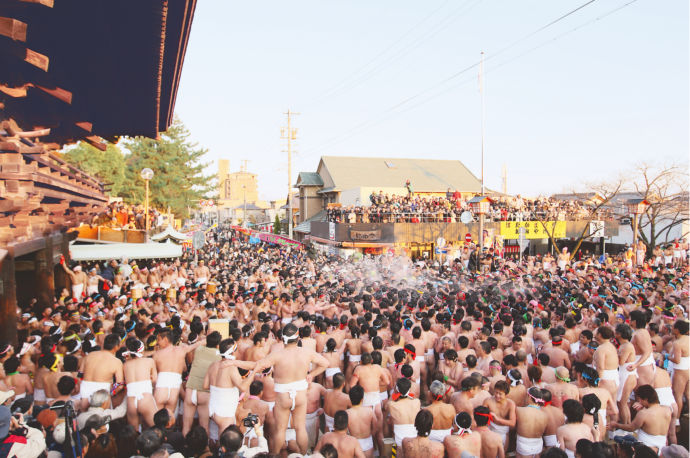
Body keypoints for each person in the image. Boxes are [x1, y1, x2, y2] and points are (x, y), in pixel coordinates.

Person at [254, 323, 329, 455]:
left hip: (283, 396)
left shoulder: (276, 354)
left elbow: (258, 365)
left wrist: (236, 362)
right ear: (298, 338)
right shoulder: (306, 352)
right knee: (300, 428)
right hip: (300, 394)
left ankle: (275, 455)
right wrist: (311, 375)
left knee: (280, 430)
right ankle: (304, 455)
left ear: (283, 338)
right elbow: (325, 363)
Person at [609, 384, 672, 453]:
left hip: (645, 450)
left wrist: (616, 425)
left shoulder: (643, 414)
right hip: (662, 447)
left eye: (640, 400)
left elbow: (631, 428)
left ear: (646, 399)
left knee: (618, 439)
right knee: (626, 438)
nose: (639, 402)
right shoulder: (667, 410)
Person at [79, 334, 124, 411]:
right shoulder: (116, 362)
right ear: (116, 347)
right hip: (103, 392)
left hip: (84, 389)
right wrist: (111, 393)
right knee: (102, 420)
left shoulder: (89, 355)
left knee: (84, 418)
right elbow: (119, 385)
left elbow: (80, 375)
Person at [123, 337, 158, 429]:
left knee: (133, 434)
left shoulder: (125, 365)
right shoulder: (149, 361)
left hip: (131, 401)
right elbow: (154, 380)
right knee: (156, 430)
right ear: (142, 351)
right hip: (145, 398)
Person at [386, 378, 420, 458]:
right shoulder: (417, 402)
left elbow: (386, 405)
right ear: (409, 389)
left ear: (396, 389)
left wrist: (394, 392)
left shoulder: (392, 405)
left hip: (399, 441)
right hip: (414, 438)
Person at [515, 387, 549, 458]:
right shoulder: (545, 415)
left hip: (524, 445)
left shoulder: (519, 410)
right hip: (538, 445)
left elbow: (512, 425)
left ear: (529, 397)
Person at [346, 385, 375, 458]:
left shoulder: (347, 413)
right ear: (362, 399)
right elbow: (376, 427)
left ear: (350, 398)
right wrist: (371, 434)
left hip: (353, 442)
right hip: (367, 441)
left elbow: (344, 431)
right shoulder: (369, 411)